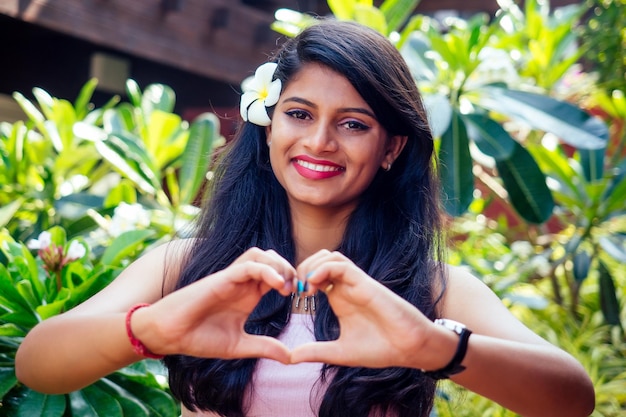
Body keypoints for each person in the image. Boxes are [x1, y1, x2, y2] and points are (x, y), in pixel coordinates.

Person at [15, 19, 594, 417]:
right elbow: (38, 364)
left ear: (392, 147)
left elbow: (572, 397)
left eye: (353, 124)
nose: (319, 142)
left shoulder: (431, 290)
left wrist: (433, 345)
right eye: (298, 113)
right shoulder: (188, 265)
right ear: (268, 124)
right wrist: (149, 330)